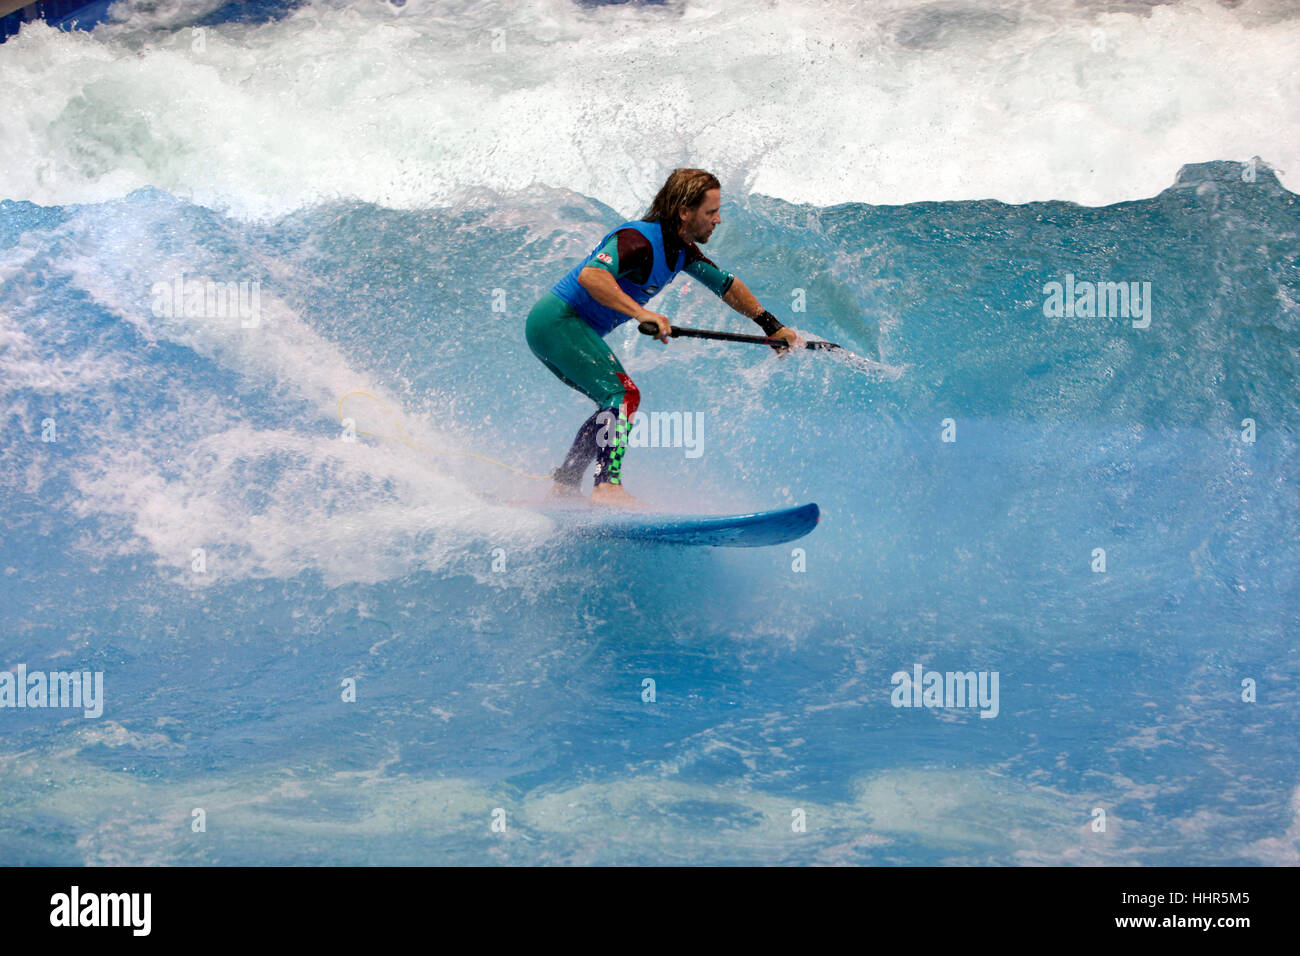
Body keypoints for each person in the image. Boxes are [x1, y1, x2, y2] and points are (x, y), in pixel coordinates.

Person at [525, 168, 803, 509]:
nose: (718, 220)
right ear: (684, 211)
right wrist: (643, 314)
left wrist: (771, 326)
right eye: (711, 212)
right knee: (623, 394)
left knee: (612, 402)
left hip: (562, 330)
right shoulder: (638, 240)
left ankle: (565, 485)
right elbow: (592, 275)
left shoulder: (682, 250)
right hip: (557, 322)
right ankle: (606, 487)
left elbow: (726, 284)